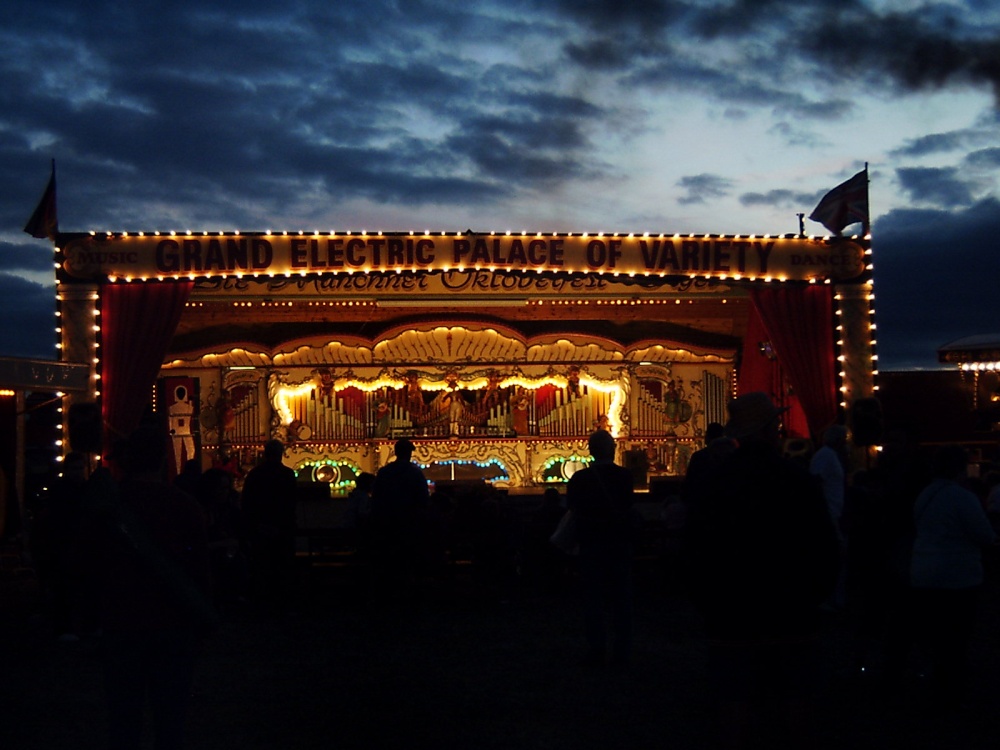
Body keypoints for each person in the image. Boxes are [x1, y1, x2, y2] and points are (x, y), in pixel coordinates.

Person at [684, 392, 840, 749]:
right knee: (794, 705)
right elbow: (824, 546)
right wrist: (812, 596)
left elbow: (695, 550)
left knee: (733, 707)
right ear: (771, 429)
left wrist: (708, 602)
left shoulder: (716, 482)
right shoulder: (797, 479)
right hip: (791, 613)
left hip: (732, 615)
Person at [87, 419, 213, 750]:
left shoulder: (108, 508)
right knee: (170, 718)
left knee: (123, 719)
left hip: (122, 621)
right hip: (173, 622)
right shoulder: (183, 505)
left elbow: (88, 563)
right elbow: (200, 566)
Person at [909, 444, 997, 710]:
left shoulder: (925, 495)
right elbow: (983, 534)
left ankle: (937, 684)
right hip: (957, 574)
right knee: (957, 635)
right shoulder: (962, 497)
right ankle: (952, 690)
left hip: (924, 571)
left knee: (937, 634)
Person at [566, 429, 636, 667]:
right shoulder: (625, 476)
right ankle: (622, 650)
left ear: (590, 451)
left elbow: (573, 507)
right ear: (613, 449)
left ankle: (596, 648)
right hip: (617, 543)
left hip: (591, 544)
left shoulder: (579, 479)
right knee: (621, 599)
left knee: (593, 599)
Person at [241, 439, 298, 613]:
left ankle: (263, 603)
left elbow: (247, 502)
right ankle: (281, 603)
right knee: (281, 567)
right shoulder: (287, 474)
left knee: (262, 567)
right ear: (281, 454)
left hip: (261, 526)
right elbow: (291, 503)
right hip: (282, 527)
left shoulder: (255, 474)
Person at [368, 438, 430, 596]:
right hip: (408, 522)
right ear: (409, 454)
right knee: (407, 557)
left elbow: (376, 497)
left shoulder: (385, 472)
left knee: (390, 557)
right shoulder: (415, 473)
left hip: (387, 521)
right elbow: (423, 498)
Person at [810, 424, 849, 535]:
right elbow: (816, 481)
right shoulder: (825, 455)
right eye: (844, 439)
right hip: (829, 513)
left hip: (834, 511)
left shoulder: (832, 455)